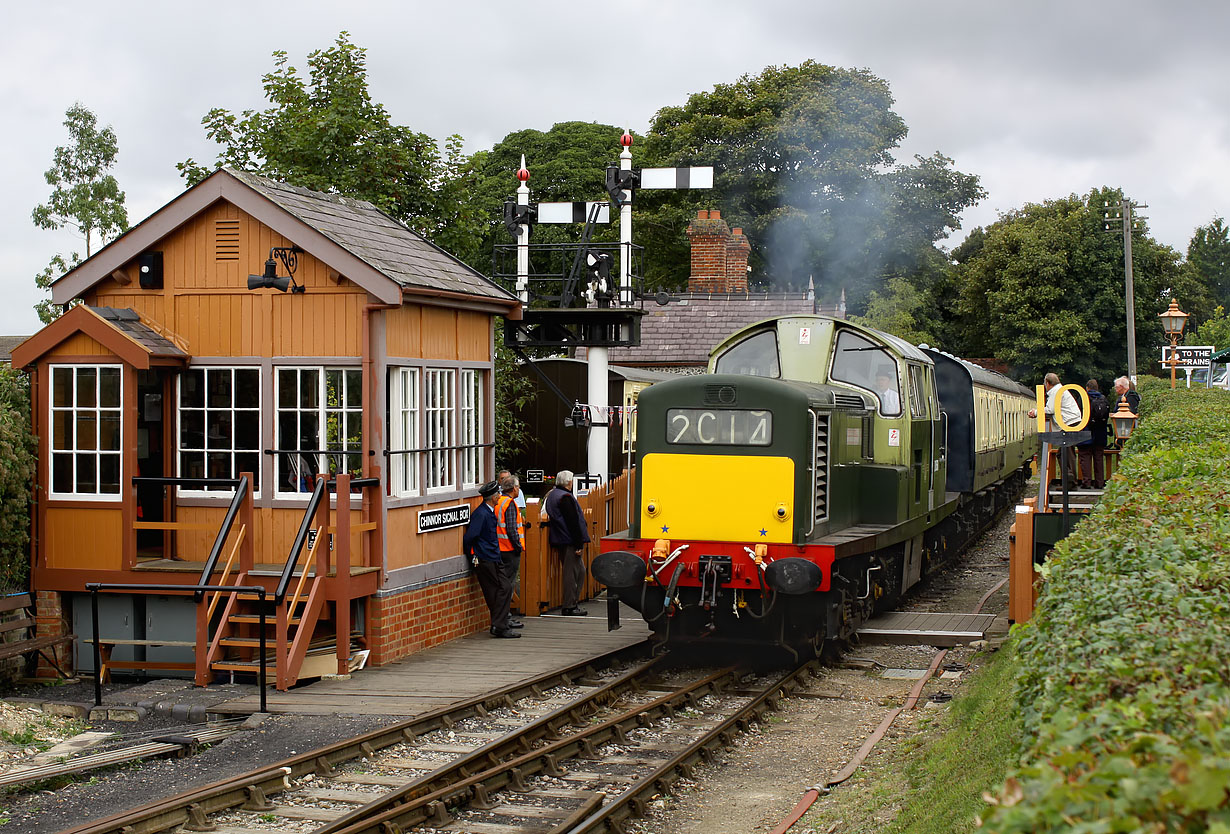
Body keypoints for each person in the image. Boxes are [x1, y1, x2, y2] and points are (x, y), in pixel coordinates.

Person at [463, 481, 519, 638]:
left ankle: (499, 623)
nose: (500, 497)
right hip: (485, 558)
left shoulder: (488, 512)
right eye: (498, 495)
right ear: (493, 498)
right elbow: (470, 537)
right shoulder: (482, 514)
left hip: (493, 556)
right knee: (499, 589)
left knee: (504, 588)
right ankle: (499, 625)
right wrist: (473, 555)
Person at [542, 469, 591, 616]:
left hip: (561, 538)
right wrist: (578, 544)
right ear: (569, 482)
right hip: (569, 540)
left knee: (578, 571)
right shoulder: (565, 497)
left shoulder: (553, 494)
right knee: (573, 573)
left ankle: (572, 603)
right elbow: (572, 522)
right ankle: (569, 605)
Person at [1028, 372, 1081, 485]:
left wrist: (1035, 412)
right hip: (1072, 423)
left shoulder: (1055, 392)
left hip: (1068, 424)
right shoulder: (1060, 390)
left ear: (1047, 383)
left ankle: (1070, 481)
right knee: (1065, 453)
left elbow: (1050, 409)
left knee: (1066, 453)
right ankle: (1069, 480)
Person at [495, 473, 524, 626]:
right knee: (508, 585)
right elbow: (513, 529)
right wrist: (518, 546)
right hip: (510, 550)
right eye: (518, 487)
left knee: (502, 584)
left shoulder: (497, 501)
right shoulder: (510, 504)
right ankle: (505, 617)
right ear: (514, 488)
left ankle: (503, 616)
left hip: (498, 548)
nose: (519, 489)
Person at [1076, 379, 1109, 489]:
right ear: (1097, 388)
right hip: (1100, 433)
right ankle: (1099, 482)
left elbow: (1078, 413)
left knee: (1085, 457)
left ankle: (1087, 482)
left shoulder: (1083, 398)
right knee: (1098, 458)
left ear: (1087, 388)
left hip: (1085, 432)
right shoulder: (1103, 399)